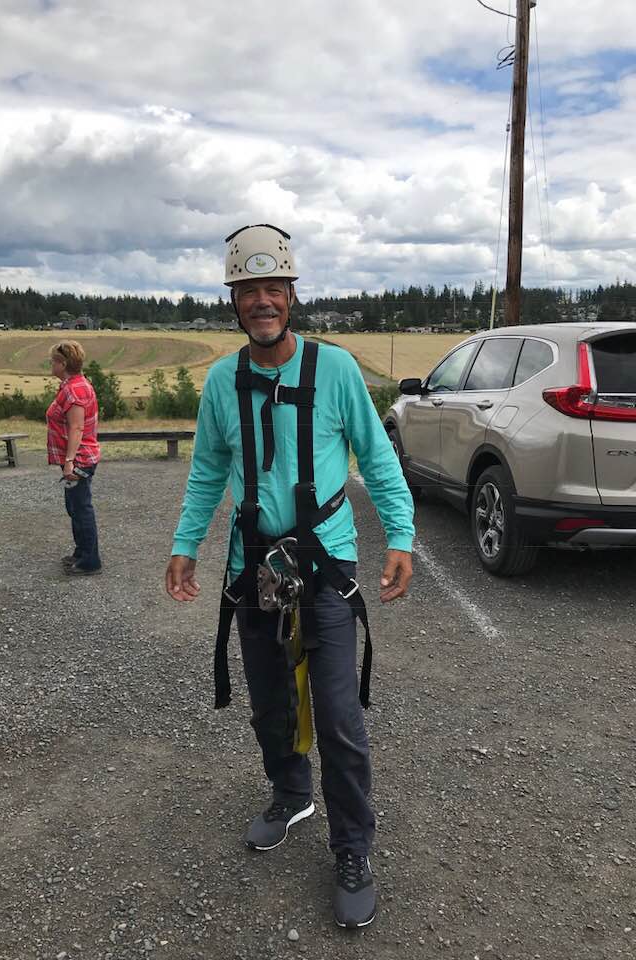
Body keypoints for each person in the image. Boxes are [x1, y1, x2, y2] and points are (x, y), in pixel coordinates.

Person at [165, 224, 414, 929]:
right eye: (248, 290)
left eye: (273, 288)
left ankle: (353, 845)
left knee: (336, 716)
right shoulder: (222, 381)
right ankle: (290, 793)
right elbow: (209, 469)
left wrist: (401, 535)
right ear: (234, 302)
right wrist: (186, 544)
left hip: (327, 568)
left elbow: (376, 456)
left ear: (293, 296)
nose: (262, 301)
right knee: (270, 704)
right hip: (253, 567)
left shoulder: (333, 371)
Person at [46, 340, 102, 575]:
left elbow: (77, 428)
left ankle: (90, 561)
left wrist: (69, 462)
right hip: (76, 459)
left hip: (79, 460)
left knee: (81, 508)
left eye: (53, 362)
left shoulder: (75, 389)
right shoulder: (73, 385)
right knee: (74, 507)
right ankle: (82, 553)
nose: (51, 365)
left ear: (63, 363)